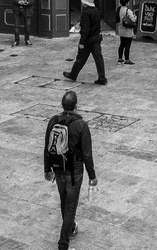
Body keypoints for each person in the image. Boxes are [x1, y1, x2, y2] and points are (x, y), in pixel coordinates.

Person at [44, 90, 97, 250]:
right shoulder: (81, 125)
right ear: (76, 105)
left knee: (64, 201)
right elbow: (87, 154)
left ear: (62, 105)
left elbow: (47, 146)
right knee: (71, 207)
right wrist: (92, 176)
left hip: (59, 170)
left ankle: (71, 228)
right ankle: (63, 244)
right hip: (75, 172)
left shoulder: (53, 121)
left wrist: (47, 169)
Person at [63, 0, 107, 85]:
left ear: (85, 4)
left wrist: (82, 42)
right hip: (97, 37)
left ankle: (73, 75)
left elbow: (85, 29)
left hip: (88, 39)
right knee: (99, 58)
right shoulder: (97, 11)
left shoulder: (86, 13)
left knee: (80, 58)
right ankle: (102, 78)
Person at [115, 0, 136, 65]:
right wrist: (135, 16)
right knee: (127, 45)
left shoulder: (119, 9)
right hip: (128, 30)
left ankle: (120, 58)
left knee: (122, 44)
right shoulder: (128, 11)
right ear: (127, 3)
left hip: (121, 29)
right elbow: (133, 19)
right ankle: (127, 59)